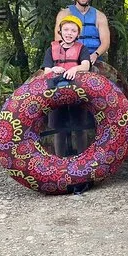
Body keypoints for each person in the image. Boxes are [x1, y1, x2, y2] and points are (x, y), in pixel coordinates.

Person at [42, 15, 91, 156]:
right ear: (60, 31)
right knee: (59, 129)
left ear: (78, 34)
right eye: (66, 30)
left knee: (80, 128)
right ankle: (60, 159)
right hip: (56, 93)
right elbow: (46, 70)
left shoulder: (82, 49)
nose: (69, 33)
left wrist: (75, 69)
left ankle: (82, 158)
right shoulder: (51, 49)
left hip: (77, 92)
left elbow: (86, 65)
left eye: (73, 31)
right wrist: (54, 69)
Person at [54, 0, 110, 65]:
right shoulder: (64, 14)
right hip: (70, 58)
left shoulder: (100, 16)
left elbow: (105, 42)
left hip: (94, 58)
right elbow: (58, 39)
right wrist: (71, 55)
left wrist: (95, 54)